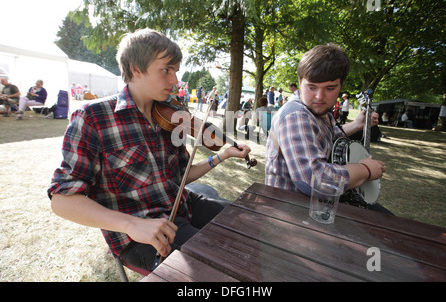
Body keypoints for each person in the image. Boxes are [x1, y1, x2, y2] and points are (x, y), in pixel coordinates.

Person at [47, 28, 251, 272]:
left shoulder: (170, 116)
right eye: (166, 70)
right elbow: (62, 200)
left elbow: (182, 175)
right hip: (140, 236)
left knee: (249, 225)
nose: (175, 80)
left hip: (183, 205)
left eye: (175, 71)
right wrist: (131, 224)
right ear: (136, 69)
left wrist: (222, 155)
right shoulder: (92, 117)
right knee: (227, 267)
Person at [265, 44, 390, 213]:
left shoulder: (318, 111)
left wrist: (357, 124)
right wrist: (366, 170)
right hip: (292, 212)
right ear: (300, 81)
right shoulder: (296, 116)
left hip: (316, 205)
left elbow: (327, 138)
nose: (319, 96)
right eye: (311, 87)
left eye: (330, 88)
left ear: (340, 86)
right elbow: (314, 180)